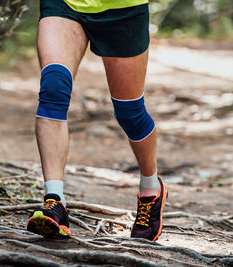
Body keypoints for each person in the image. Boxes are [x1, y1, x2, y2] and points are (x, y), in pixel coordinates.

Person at [27, 0, 168, 241]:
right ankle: (55, 201)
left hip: (124, 9)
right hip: (65, 5)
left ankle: (150, 189)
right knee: (53, 89)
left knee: (129, 112)